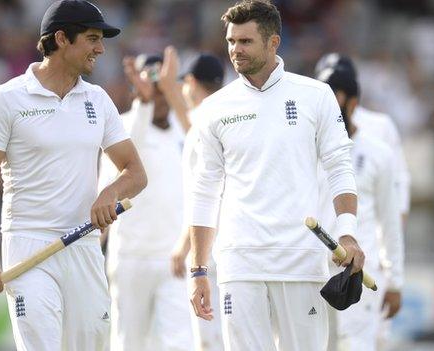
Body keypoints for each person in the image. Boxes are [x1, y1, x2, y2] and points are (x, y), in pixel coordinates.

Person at [0, 1, 147, 350]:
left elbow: (136, 172)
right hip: (28, 244)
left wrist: (110, 192)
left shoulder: (98, 99)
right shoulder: (7, 99)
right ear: (61, 38)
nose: (100, 48)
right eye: (92, 38)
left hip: (84, 245)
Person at [188, 1, 365, 350]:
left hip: (300, 261)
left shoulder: (315, 95)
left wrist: (348, 234)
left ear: (273, 43)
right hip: (239, 262)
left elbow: (339, 168)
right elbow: (204, 191)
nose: (235, 50)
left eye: (246, 41)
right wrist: (199, 270)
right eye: (231, 41)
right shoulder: (213, 108)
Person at [316, 53, 409, 348]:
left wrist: (394, 281)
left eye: (336, 96)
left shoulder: (378, 153)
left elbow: (391, 220)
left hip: (358, 274)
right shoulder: (304, 148)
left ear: (353, 103)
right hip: (310, 273)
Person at [102, 48, 194, 351]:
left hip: (175, 258)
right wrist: (143, 103)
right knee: (129, 343)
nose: (157, 94)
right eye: (148, 86)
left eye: (161, 86)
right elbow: (127, 161)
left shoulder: (186, 128)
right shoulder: (123, 127)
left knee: (181, 342)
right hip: (131, 257)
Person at [169, 53, 226, 351]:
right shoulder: (229, 118)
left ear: (190, 82)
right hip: (234, 251)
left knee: (211, 343)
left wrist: (185, 246)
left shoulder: (203, 126)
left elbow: (203, 194)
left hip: (212, 254)